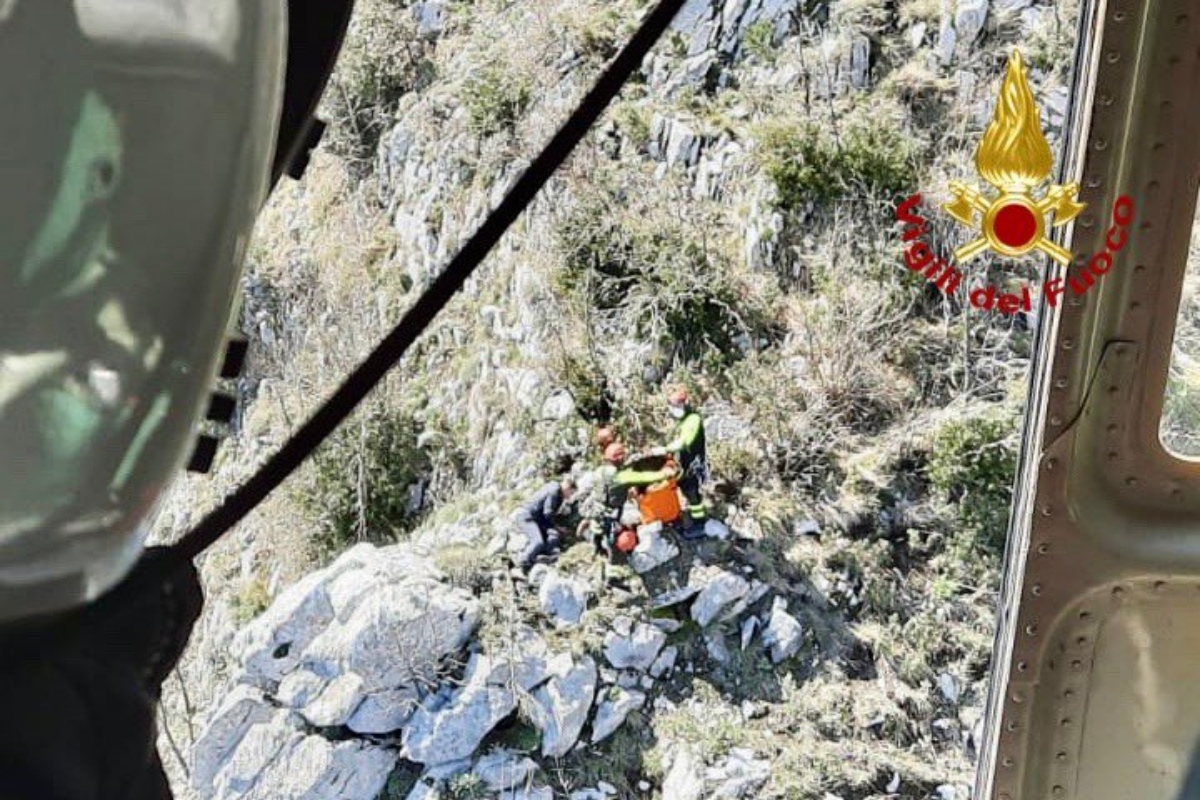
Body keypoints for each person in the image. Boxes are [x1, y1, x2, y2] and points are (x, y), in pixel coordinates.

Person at [651, 386, 709, 537]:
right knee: (685, 488)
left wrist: (665, 449)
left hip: (693, 465)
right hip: (685, 462)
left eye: (676, 406)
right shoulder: (684, 419)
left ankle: (699, 524)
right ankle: (693, 515)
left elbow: (683, 442)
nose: (673, 410)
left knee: (692, 493)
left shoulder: (693, 419)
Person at [515, 476, 577, 572]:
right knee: (538, 541)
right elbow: (547, 513)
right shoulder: (554, 492)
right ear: (567, 487)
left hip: (537, 519)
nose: (569, 496)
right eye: (571, 493)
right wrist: (558, 527)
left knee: (553, 535)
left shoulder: (554, 487)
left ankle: (550, 556)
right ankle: (523, 562)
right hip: (526, 517)